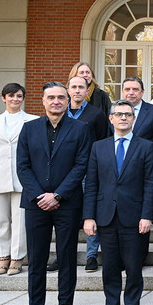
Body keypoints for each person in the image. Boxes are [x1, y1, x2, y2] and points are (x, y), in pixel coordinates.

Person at [17, 81, 92, 305]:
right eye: (51, 97)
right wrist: (40, 195)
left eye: (61, 97)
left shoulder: (80, 129)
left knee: (67, 258)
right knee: (36, 260)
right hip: (36, 203)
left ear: (68, 100)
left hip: (67, 203)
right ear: (43, 101)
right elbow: (22, 166)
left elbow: (81, 165)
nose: (56, 101)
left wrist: (58, 195)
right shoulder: (29, 129)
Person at [82, 100, 153, 305]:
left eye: (128, 114)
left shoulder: (146, 146)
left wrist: (147, 215)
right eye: (119, 114)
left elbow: (149, 184)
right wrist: (88, 216)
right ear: (111, 118)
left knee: (134, 268)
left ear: (134, 119)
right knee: (110, 268)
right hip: (105, 217)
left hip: (134, 217)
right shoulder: (98, 147)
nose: (123, 117)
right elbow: (91, 184)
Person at [0, 83, 39, 276]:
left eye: (19, 96)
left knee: (20, 221)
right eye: (11, 95)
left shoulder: (33, 120)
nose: (15, 99)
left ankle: (17, 258)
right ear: (3, 98)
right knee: (2, 220)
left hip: (23, 178)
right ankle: (3, 257)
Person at [65, 74, 109, 272]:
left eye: (81, 87)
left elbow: (103, 141)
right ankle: (64, 255)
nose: (77, 90)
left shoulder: (96, 114)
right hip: (64, 172)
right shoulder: (60, 112)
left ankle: (91, 255)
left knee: (91, 212)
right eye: (73, 87)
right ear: (68, 90)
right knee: (66, 216)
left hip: (89, 171)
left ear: (87, 90)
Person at [120, 77, 153, 156]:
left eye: (135, 89)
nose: (131, 93)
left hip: (145, 159)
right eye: (127, 89)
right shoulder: (114, 112)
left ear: (142, 92)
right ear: (123, 92)